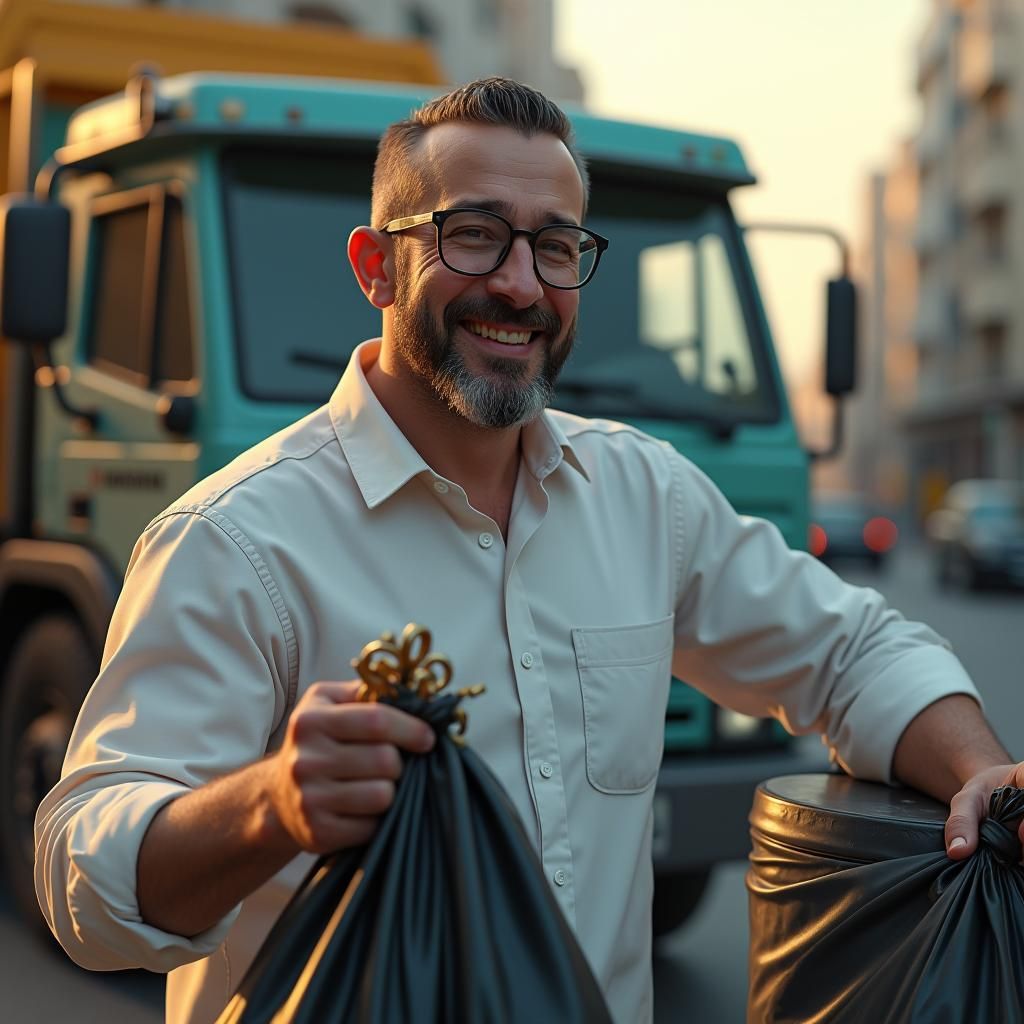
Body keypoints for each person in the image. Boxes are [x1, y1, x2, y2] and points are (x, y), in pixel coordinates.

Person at [36, 77, 1022, 1024]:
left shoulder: (643, 495)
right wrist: (270, 806)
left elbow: (850, 651)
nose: (519, 284)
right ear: (375, 265)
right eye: (473, 235)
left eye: (556, 248)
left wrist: (982, 771)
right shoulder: (236, 538)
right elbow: (80, 872)